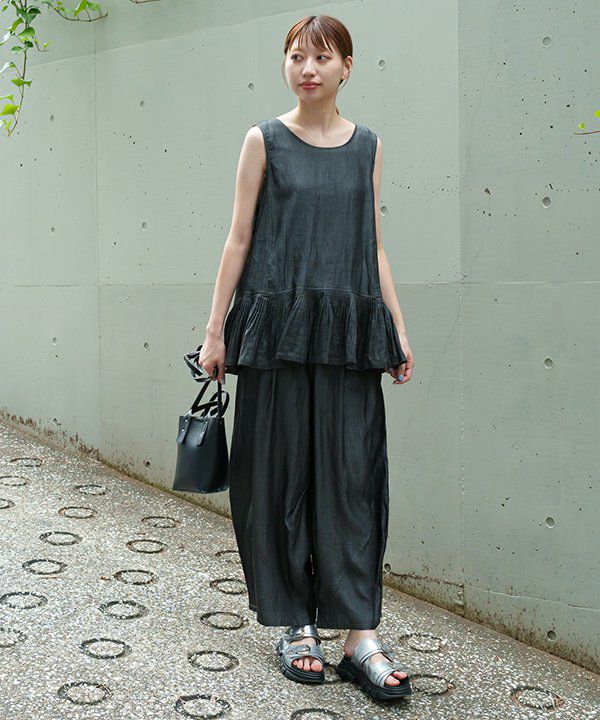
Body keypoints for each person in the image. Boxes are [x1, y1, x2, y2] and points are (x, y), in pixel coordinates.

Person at [198, 14, 415, 702]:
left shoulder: (368, 146)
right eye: (296, 56)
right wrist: (214, 331)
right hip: (277, 333)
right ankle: (296, 622)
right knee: (278, 478)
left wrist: (396, 328)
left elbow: (371, 244)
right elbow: (238, 239)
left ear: (347, 66)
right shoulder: (263, 140)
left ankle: (359, 636)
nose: (308, 68)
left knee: (353, 480)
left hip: (347, 335)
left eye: (322, 57)